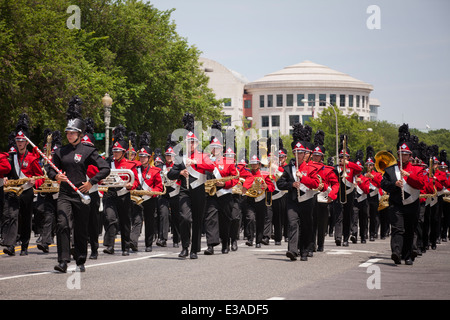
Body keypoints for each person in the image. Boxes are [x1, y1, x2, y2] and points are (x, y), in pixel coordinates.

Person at [48, 96, 110, 272]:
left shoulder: (88, 150)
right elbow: (50, 168)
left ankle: (81, 260)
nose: (69, 135)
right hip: (65, 193)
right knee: (62, 223)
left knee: (81, 229)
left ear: (80, 134)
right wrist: (55, 176)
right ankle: (63, 260)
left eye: (72, 133)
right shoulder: (60, 151)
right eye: (67, 132)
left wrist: (91, 183)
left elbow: (104, 168)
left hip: (82, 195)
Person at [167, 112, 215, 259]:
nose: (191, 145)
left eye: (193, 142)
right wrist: (181, 172)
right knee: (185, 218)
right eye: (189, 142)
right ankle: (185, 247)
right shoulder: (180, 157)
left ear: (197, 143)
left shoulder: (203, 156)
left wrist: (195, 162)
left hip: (199, 191)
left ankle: (194, 250)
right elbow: (170, 174)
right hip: (185, 190)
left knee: (197, 221)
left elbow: (211, 166)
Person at [381, 123, 425, 265]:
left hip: (412, 204)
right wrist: (394, 184)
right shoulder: (390, 170)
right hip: (396, 204)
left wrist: (409, 176)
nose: (403, 156)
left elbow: (421, 184)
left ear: (410, 155)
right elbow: (383, 184)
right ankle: (396, 252)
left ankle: (407, 256)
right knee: (397, 228)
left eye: (405, 154)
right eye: (400, 154)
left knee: (409, 229)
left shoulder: (417, 169)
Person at [2, 113, 45, 256]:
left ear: (26, 142)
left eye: (22, 140)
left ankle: (25, 245)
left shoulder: (32, 159)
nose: (19, 143)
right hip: (13, 191)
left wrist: (35, 182)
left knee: (26, 218)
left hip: (27, 192)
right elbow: (6, 171)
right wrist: (5, 179)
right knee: (11, 217)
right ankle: (10, 245)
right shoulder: (11, 157)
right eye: (17, 140)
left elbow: (41, 177)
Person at [277, 123, 320, 261]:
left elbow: (315, 184)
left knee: (306, 225)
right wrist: (291, 184)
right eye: (295, 152)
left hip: (306, 201)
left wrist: (304, 178)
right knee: (292, 223)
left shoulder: (311, 168)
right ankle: (292, 250)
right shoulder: (288, 169)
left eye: (300, 153)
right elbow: (280, 183)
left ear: (304, 154)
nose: (298, 155)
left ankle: (305, 250)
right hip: (292, 201)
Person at [102, 125, 139, 257]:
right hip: (110, 194)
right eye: (114, 151)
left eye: (118, 151)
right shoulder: (107, 163)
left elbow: (136, 181)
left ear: (123, 152)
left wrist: (131, 185)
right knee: (110, 218)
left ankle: (125, 247)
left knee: (125, 222)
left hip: (123, 195)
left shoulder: (130, 165)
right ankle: (110, 245)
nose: (115, 153)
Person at [203, 125, 238, 255]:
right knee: (210, 218)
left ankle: (225, 243)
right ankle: (211, 245)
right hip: (211, 195)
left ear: (221, 149)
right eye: (213, 147)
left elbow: (235, 179)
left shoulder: (228, 161)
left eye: (217, 148)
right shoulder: (207, 161)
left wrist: (223, 184)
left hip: (225, 194)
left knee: (225, 220)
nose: (215, 149)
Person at [311, 130, 339, 252]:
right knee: (311, 222)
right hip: (310, 197)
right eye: (314, 154)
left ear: (322, 157)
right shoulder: (307, 167)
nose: (315, 156)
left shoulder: (328, 170)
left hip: (323, 198)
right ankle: (311, 244)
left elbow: (336, 184)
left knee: (322, 223)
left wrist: (332, 195)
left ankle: (320, 244)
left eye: (318, 155)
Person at [333, 134, 362, 247]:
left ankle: (346, 238)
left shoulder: (351, 168)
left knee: (347, 216)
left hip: (349, 194)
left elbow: (359, 169)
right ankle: (338, 237)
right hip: (338, 194)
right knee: (338, 216)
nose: (342, 159)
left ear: (348, 158)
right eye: (340, 157)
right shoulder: (335, 168)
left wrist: (348, 164)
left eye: (344, 157)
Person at [158, 135, 181, 247]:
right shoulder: (161, 167)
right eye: (167, 155)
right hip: (164, 194)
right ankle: (163, 238)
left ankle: (176, 239)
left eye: (171, 155)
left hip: (176, 193)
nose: (169, 157)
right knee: (163, 215)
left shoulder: (178, 166)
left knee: (176, 216)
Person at [364, 146, 383, 241]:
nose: (369, 167)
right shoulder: (364, 174)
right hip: (366, 195)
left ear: (374, 165)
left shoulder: (378, 174)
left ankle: (372, 233)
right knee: (365, 215)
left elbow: (381, 184)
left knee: (373, 216)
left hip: (374, 196)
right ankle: (364, 234)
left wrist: (373, 177)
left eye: (370, 165)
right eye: (367, 165)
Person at [351, 151, 370, 244]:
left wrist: (360, 183)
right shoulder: (351, 177)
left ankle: (363, 236)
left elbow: (367, 191)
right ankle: (354, 234)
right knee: (354, 218)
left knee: (363, 219)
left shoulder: (365, 178)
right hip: (354, 200)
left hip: (363, 200)